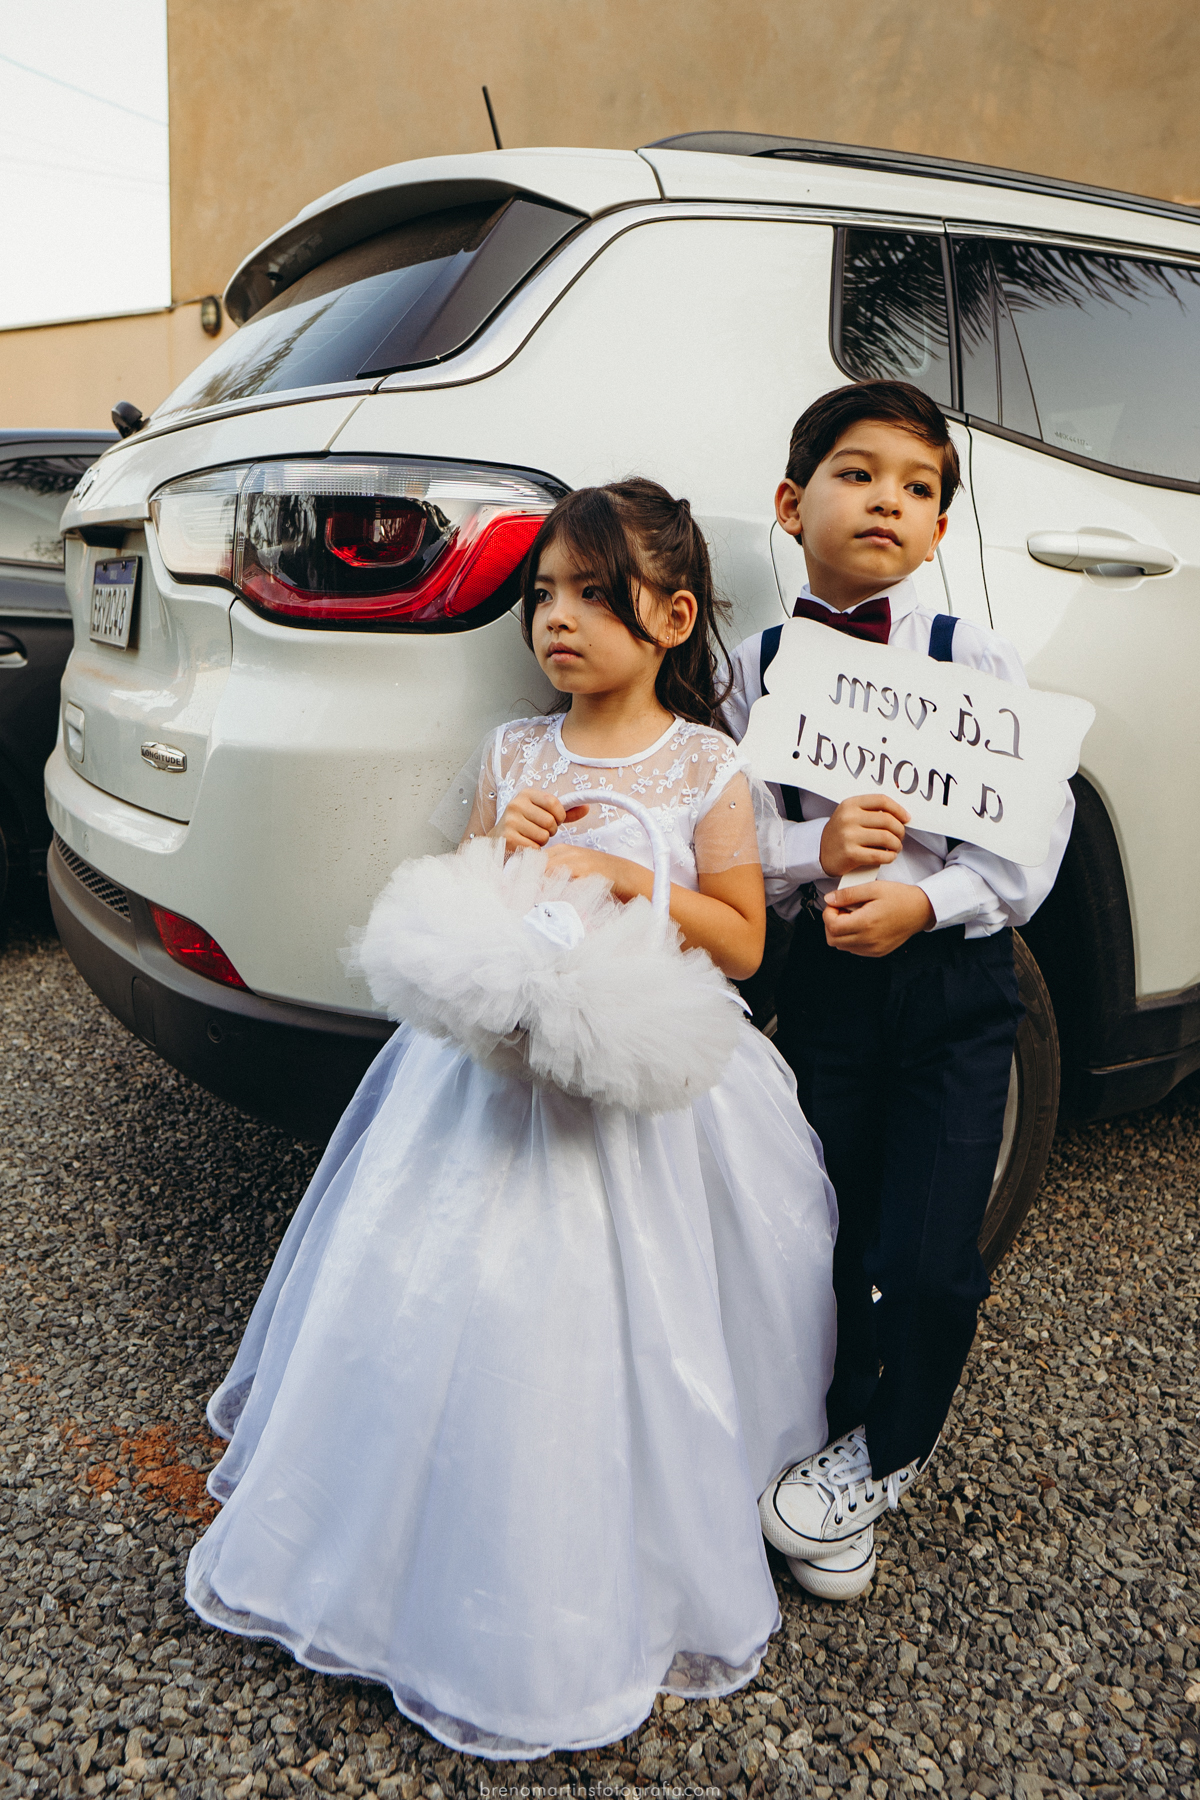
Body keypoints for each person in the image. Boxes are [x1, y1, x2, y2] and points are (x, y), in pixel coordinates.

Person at [185, 478, 839, 1759]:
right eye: (544, 593)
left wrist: (621, 870)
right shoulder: (514, 753)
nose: (558, 618)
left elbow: (746, 943)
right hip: (493, 1082)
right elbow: (464, 903)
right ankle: (391, 1535)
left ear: (672, 615)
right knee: (451, 1299)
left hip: (644, 1100)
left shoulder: (707, 765)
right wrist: (512, 849)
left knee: (619, 1325)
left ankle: (591, 1548)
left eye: (594, 595)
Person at [723, 381, 1074, 1601]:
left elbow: (1030, 837)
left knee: (928, 1251)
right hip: (825, 994)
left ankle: (892, 1448)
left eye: (918, 488)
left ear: (935, 532)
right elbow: (731, 837)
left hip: (959, 990)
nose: (888, 498)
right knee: (827, 1230)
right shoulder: (759, 668)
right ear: (790, 502)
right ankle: (832, 1448)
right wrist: (809, 858)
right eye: (857, 472)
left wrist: (927, 900)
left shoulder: (970, 657)